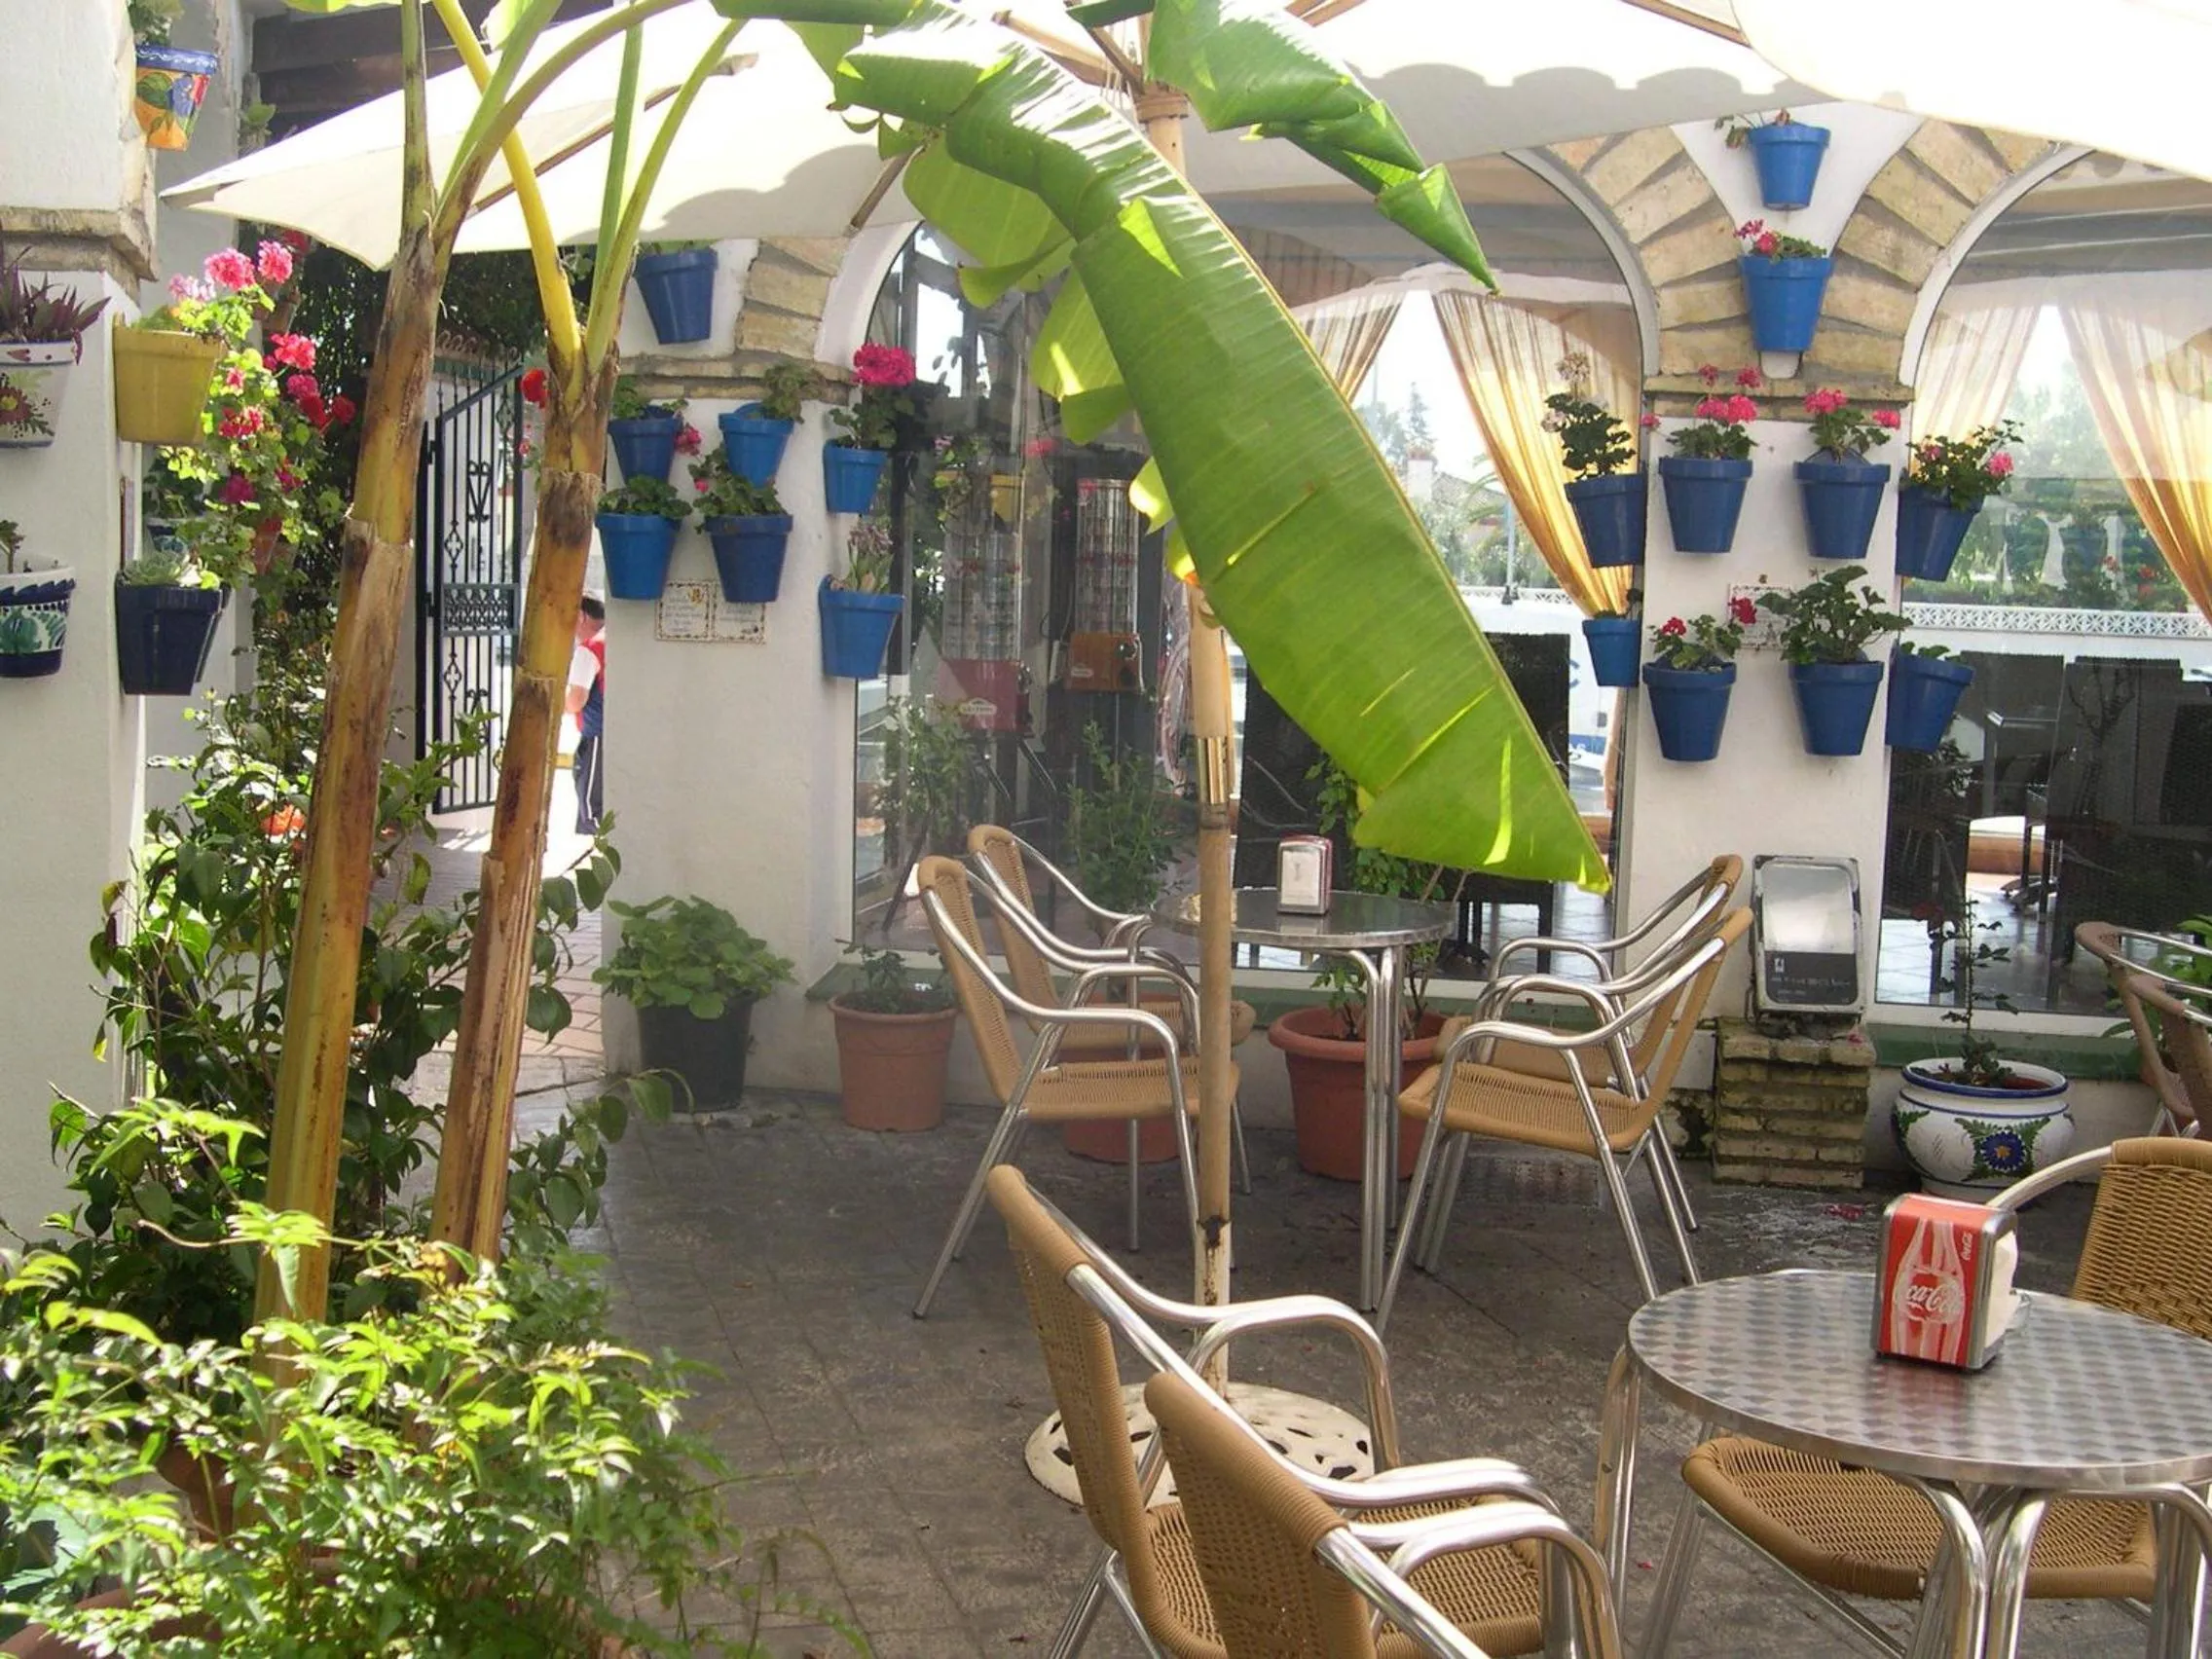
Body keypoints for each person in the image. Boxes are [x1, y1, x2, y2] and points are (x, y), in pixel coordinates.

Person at [567, 595, 606, 833]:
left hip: (596, 736)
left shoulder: (590, 648)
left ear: (581, 615)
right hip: (617, 733)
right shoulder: (615, 640)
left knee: (593, 808)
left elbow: (575, 701)